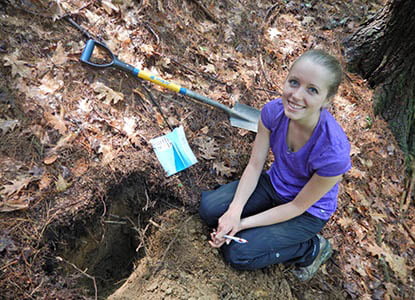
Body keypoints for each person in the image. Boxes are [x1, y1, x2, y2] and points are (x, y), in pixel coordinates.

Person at [199, 49, 351, 281]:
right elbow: (255, 164)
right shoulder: (272, 113)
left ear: (327, 100)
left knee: (238, 253)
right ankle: (259, 219)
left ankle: (311, 248)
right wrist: (233, 211)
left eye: (312, 90)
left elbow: (297, 206)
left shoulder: (333, 153)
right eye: (294, 82)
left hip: (306, 212)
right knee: (210, 209)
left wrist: (240, 224)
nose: (297, 96)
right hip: (274, 184)